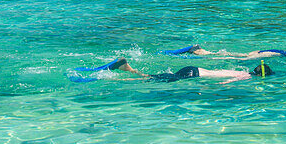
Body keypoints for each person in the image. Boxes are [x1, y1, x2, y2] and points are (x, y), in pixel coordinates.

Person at [107, 57, 272, 84]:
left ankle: (128, 69)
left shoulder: (240, 69)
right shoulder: (245, 76)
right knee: (155, 80)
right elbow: (230, 81)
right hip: (194, 75)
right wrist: (222, 84)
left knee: (159, 77)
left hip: (194, 69)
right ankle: (127, 73)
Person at [169, 37, 286, 59]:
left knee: (241, 54)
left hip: (273, 49)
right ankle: (204, 56)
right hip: (272, 55)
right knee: (237, 58)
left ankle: (201, 51)